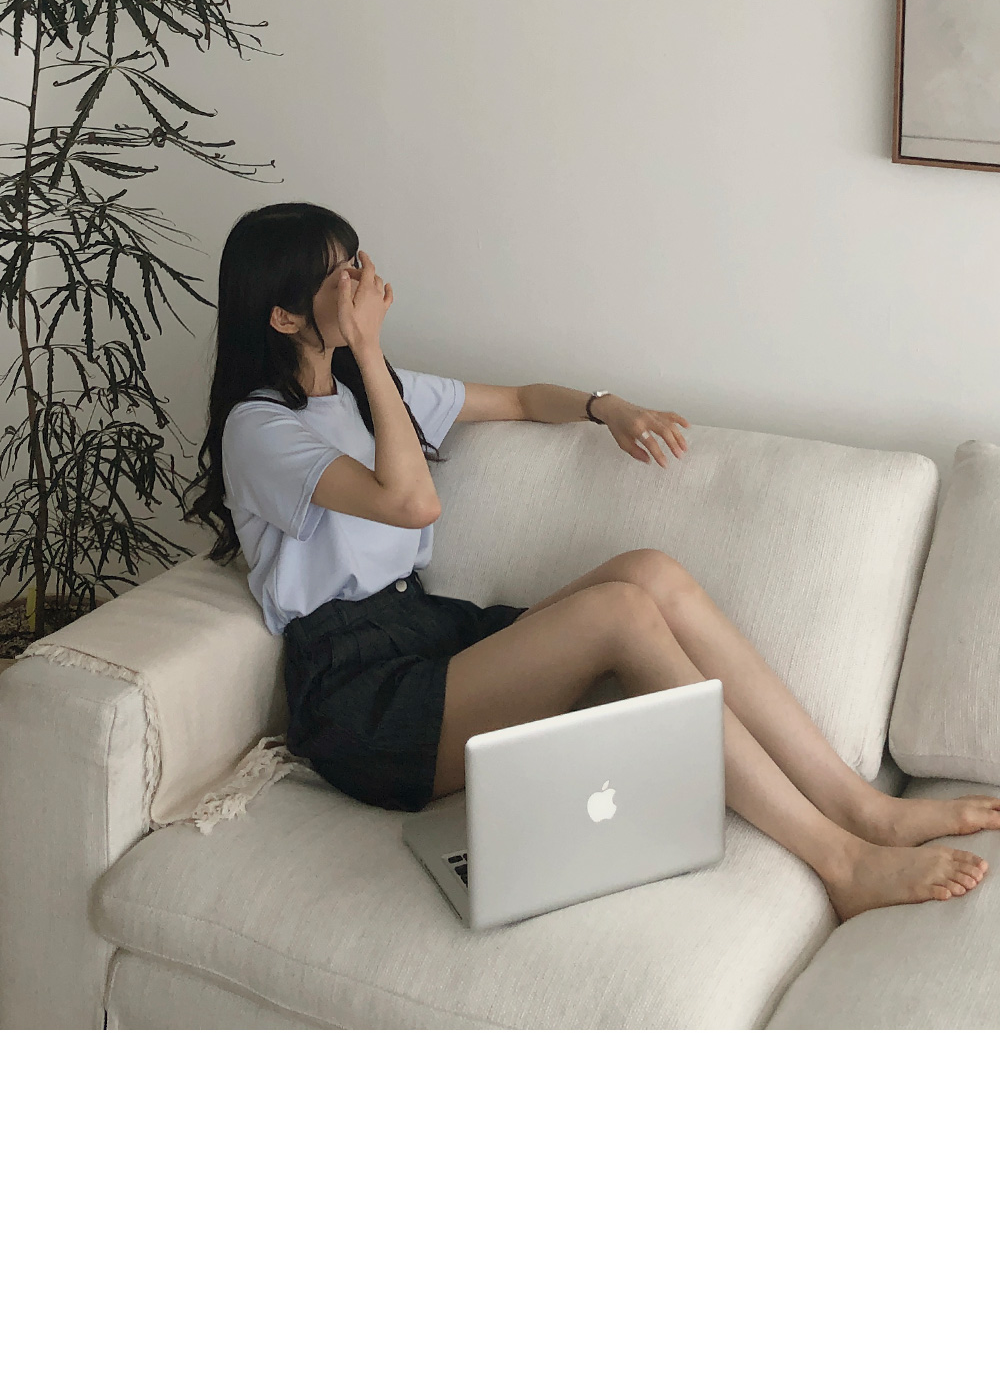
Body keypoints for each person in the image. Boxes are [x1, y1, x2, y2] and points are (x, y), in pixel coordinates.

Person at [196, 204, 997, 918]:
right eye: (337, 277)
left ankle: (865, 808)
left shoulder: (373, 391)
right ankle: (842, 864)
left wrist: (606, 407)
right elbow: (411, 503)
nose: (361, 283)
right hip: (360, 697)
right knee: (618, 614)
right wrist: (370, 352)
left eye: (356, 261)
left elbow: (518, 399)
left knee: (649, 572)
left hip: (427, 630)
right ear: (283, 315)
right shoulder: (259, 429)